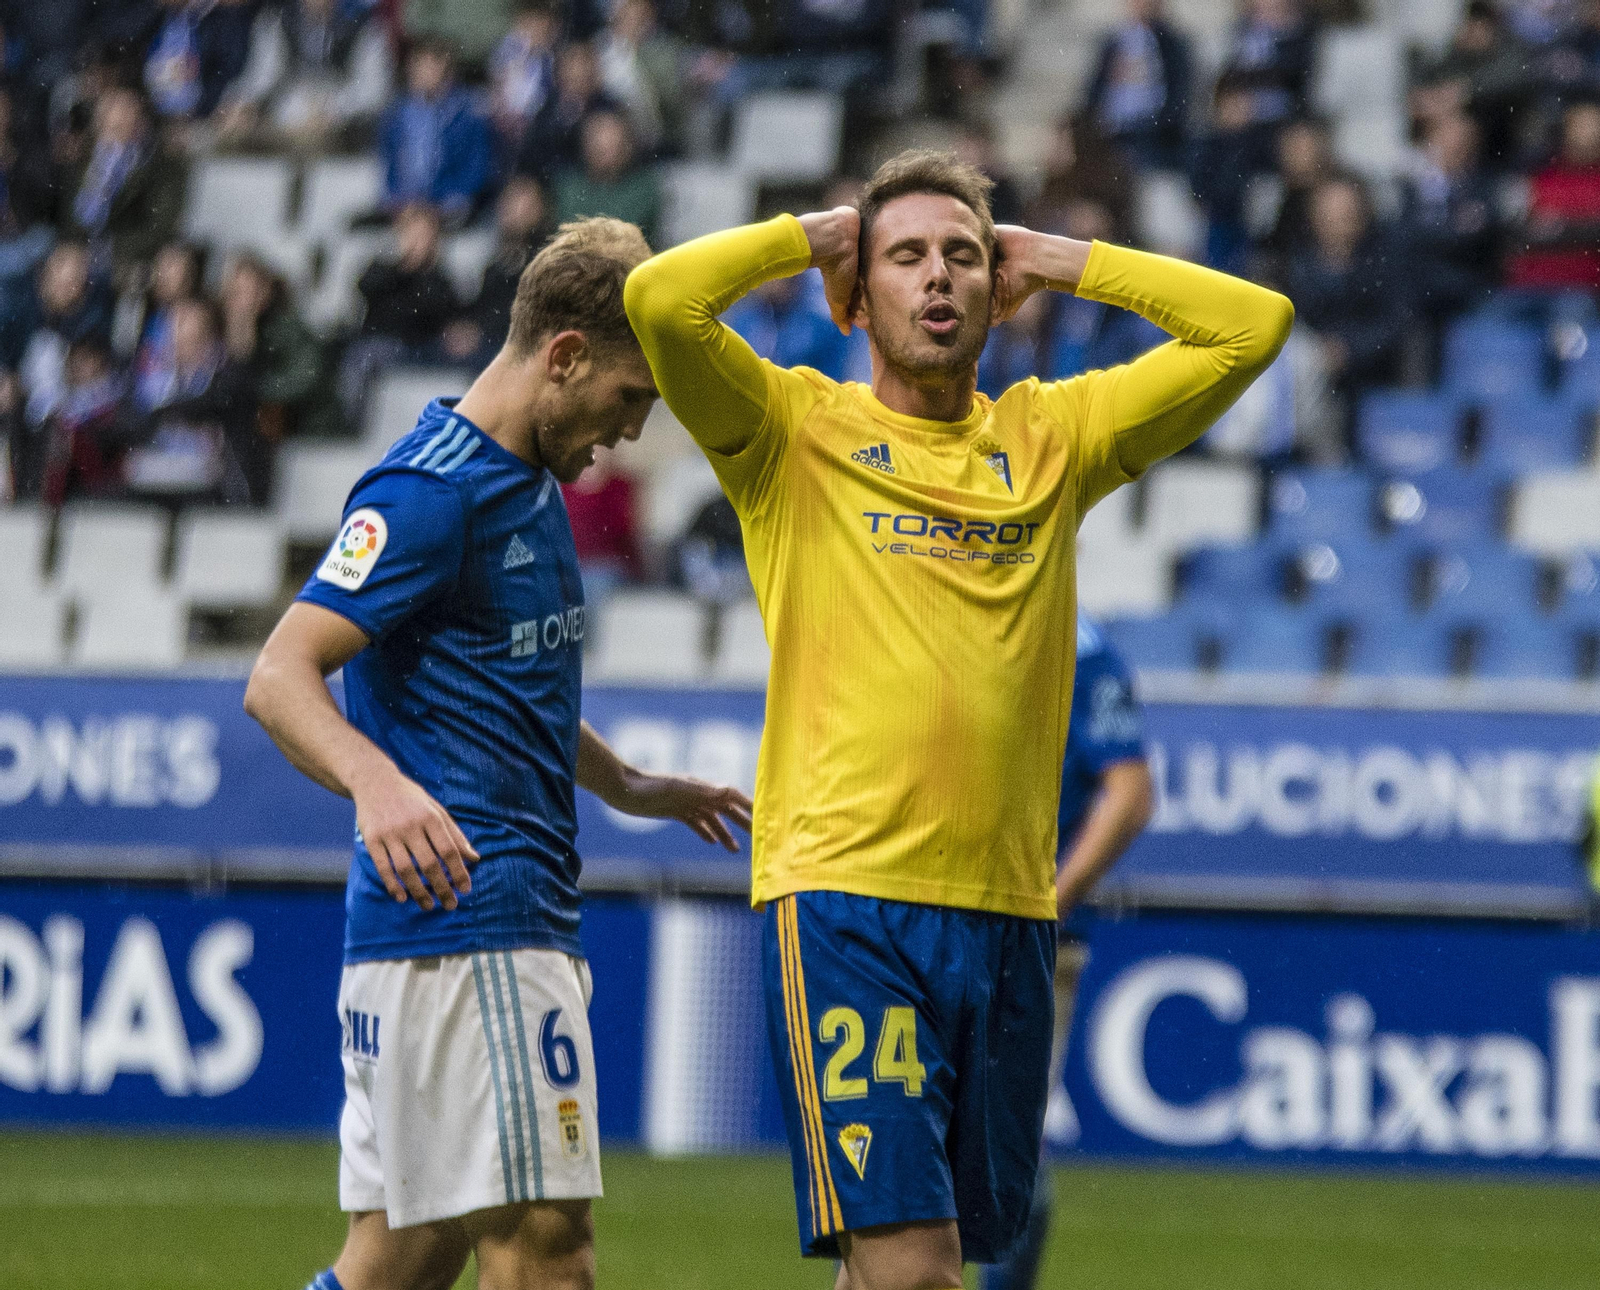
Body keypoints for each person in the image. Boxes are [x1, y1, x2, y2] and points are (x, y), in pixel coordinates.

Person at [624, 149, 1292, 1286]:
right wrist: (812, 235)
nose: (937, 278)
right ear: (856, 293)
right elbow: (657, 301)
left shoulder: (1054, 436)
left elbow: (1255, 327)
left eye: (963, 257)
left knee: (909, 1264)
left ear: (999, 286)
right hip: (850, 900)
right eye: (905, 257)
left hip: (1009, 913)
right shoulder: (788, 431)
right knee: (919, 1269)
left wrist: (1069, 262)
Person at [244, 217, 753, 1290]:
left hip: (447, 941)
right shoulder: (432, 492)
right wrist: (377, 784)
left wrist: (631, 785)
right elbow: (279, 677)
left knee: (398, 1262)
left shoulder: (521, 478)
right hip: (473, 931)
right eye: (627, 398)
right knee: (546, 1255)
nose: (627, 431)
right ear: (564, 356)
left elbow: (503, 682)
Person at [979, 613, 1153, 1290]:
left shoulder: (1076, 646)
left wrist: (1047, 904)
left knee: (982, 1150)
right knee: (997, 1148)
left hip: (1000, 929)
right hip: (949, 915)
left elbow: (1131, 794)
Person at [378, 38, 493, 225]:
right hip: (408, 206)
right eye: (419, 66)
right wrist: (401, 200)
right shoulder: (397, 115)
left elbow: (476, 172)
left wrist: (435, 201)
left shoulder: (468, 115)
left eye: (431, 66)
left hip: (450, 205)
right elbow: (390, 167)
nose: (424, 73)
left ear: (447, 70)